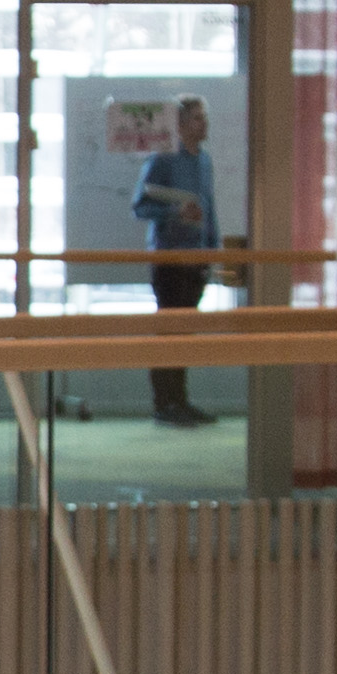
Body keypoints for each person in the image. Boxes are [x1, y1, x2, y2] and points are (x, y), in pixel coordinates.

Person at [131, 92, 222, 427]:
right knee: (169, 331)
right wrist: (175, 211)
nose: (205, 124)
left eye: (205, 117)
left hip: (196, 259)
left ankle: (181, 400)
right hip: (169, 259)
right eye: (199, 118)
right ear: (182, 124)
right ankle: (164, 404)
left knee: (185, 333)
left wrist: (213, 246)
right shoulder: (163, 159)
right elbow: (140, 206)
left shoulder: (204, 160)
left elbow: (208, 205)